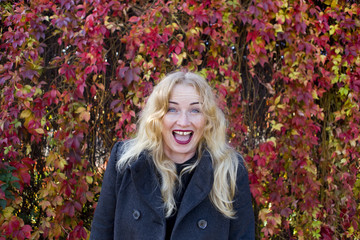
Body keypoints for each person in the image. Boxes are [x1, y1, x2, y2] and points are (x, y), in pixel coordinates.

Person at [90, 71, 255, 240]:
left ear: (208, 119)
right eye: (172, 109)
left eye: (195, 110)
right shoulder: (125, 161)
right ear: (157, 116)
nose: (183, 122)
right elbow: (101, 232)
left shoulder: (229, 169)